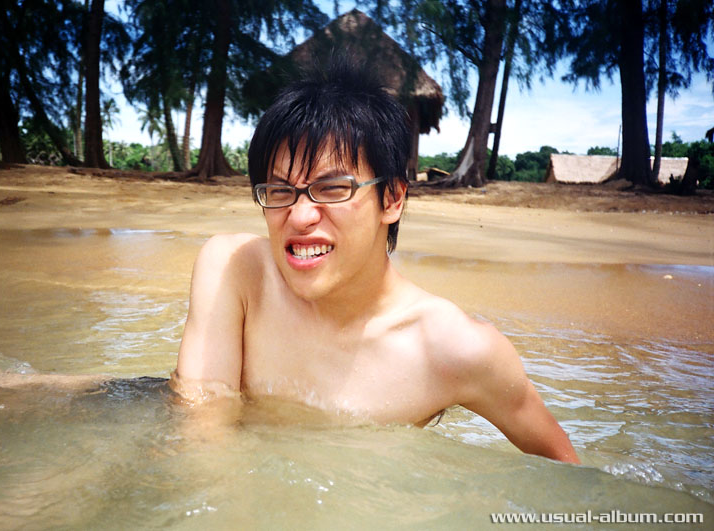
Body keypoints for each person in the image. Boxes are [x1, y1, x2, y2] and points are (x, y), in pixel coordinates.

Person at [169, 57, 579, 464]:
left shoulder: (453, 350)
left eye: (332, 188)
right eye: (279, 191)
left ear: (392, 199)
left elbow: (568, 473)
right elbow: (200, 436)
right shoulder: (236, 272)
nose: (299, 216)